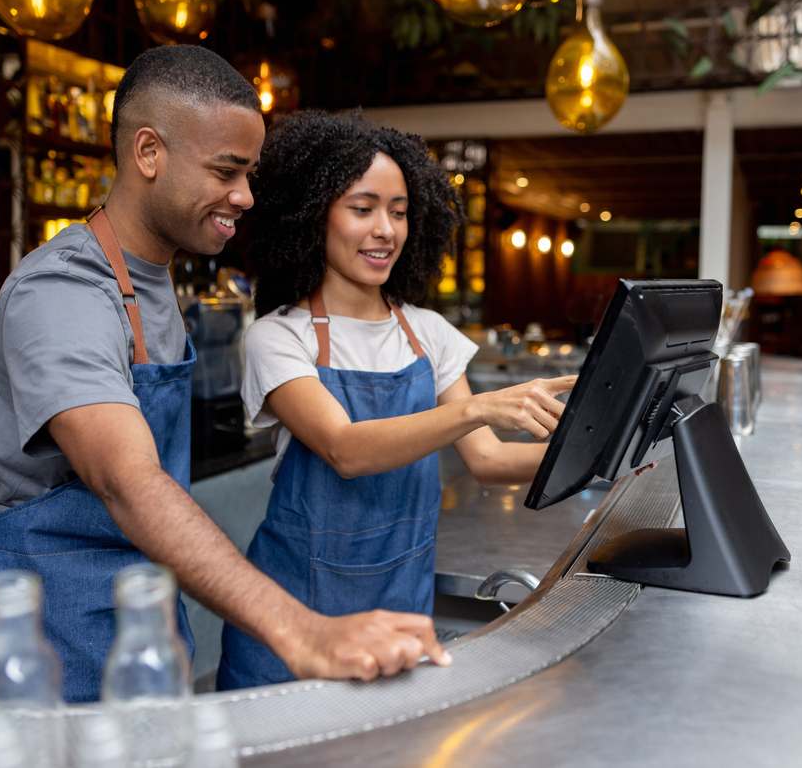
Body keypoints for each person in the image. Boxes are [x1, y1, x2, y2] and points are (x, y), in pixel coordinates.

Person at [0, 48, 448, 702]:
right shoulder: (62, 292)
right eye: (226, 171)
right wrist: (300, 631)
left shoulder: (152, 283)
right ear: (148, 153)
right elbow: (127, 482)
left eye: (250, 173)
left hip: (136, 615)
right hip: (43, 636)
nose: (244, 196)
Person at [217, 111, 575, 689]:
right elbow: (345, 449)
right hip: (296, 620)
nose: (386, 229)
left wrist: (606, 453)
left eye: (400, 212)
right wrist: (478, 407)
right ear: (314, 216)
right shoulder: (280, 337)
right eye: (363, 209)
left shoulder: (427, 332)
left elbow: (489, 460)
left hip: (403, 610)